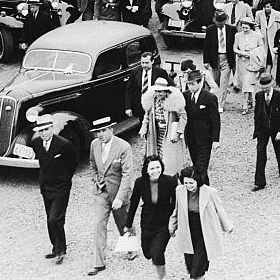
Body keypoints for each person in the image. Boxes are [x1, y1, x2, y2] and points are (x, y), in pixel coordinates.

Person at [87, 116, 134, 276]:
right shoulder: (94, 145)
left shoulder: (124, 147)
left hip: (119, 192)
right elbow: (92, 164)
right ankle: (99, 263)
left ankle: (131, 249)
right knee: (98, 225)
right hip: (101, 192)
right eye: (97, 132)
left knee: (124, 223)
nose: (100, 134)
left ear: (111, 130)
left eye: (103, 130)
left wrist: (120, 197)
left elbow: (127, 174)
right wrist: (95, 180)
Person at [169, 166, 234, 280]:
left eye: (191, 183)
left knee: (197, 268)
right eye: (186, 183)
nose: (188, 186)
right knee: (191, 265)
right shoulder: (179, 191)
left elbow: (220, 210)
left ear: (197, 181)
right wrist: (172, 226)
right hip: (188, 230)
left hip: (204, 231)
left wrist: (227, 226)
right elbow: (177, 209)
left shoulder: (209, 192)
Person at [30, 115, 77, 265]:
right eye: (41, 130)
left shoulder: (64, 144)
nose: (43, 133)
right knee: (49, 218)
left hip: (61, 186)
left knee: (55, 218)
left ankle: (61, 250)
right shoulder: (36, 143)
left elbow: (73, 163)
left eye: (46, 129)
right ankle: (55, 247)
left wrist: (65, 179)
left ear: (52, 128)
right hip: (46, 186)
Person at [125, 156, 177, 279]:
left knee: (157, 252)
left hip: (164, 223)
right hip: (147, 222)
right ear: (147, 170)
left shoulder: (170, 181)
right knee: (147, 252)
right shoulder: (140, 182)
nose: (155, 171)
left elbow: (176, 204)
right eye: (152, 168)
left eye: (158, 167)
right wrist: (128, 224)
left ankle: (162, 277)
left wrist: (174, 223)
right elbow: (134, 202)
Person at [140, 77, 187, 174]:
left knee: (169, 159)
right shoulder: (152, 100)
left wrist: (178, 132)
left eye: (160, 91)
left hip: (169, 132)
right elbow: (147, 115)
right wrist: (144, 127)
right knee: (156, 156)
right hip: (156, 132)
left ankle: (170, 178)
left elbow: (183, 116)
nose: (158, 94)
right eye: (156, 91)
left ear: (166, 91)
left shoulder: (174, 100)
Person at [251, 74, 280, 191]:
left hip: (276, 128)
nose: (265, 89)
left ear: (271, 85)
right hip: (263, 129)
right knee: (260, 153)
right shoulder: (259, 96)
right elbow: (257, 113)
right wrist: (257, 131)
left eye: (266, 87)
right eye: (263, 87)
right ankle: (259, 181)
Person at [183, 69, 220, 185]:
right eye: (188, 84)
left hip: (205, 139)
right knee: (197, 166)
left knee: (200, 167)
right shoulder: (185, 96)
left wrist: (215, 140)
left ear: (200, 82)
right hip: (191, 138)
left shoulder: (209, 97)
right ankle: (204, 188)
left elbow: (215, 120)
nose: (190, 87)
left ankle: (202, 191)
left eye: (193, 84)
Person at [202, 10, 236, 113]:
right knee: (216, 81)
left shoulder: (232, 29)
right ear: (214, 20)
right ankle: (217, 98)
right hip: (215, 58)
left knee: (224, 82)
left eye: (222, 23)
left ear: (226, 20)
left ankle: (220, 104)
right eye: (218, 23)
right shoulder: (210, 29)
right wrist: (206, 61)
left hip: (227, 58)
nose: (220, 25)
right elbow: (206, 46)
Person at [233, 18, 265, 113]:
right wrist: (242, 52)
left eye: (246, 28)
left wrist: (252, 53)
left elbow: (262, 47)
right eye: (243, 28)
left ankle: (245, 104)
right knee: (244, 83)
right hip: (242, 62)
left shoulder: (257, 36)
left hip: (252, 62)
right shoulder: (238, 35)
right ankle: (250, 101)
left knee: (248, 82)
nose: (245, 30)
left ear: (251, 27)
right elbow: (234, 48)